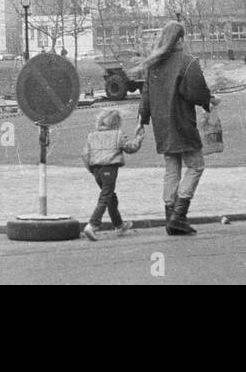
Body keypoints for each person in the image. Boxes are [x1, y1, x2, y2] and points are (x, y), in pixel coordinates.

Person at [138, 20, 218, 235]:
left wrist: (142, 121)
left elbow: (145, 97)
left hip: (162, 126)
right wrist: (209, 100)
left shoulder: (153, 64)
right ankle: (178, 216)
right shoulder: (188, 62)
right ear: (181, 39)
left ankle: (169, 215)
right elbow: (196, 93)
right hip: (182, 123)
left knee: (171, 169)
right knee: (196, 166)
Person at [80, 109, 143, 240]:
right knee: (105, 197)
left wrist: (92, 170)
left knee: (110, 197)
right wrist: (138, 139)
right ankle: (92, 225)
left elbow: (85, 155)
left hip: (96, 170)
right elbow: (130, 148)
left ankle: (119, 224)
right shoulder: (117, 134)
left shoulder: (92, 135)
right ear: (117, 123)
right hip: (109, 169)